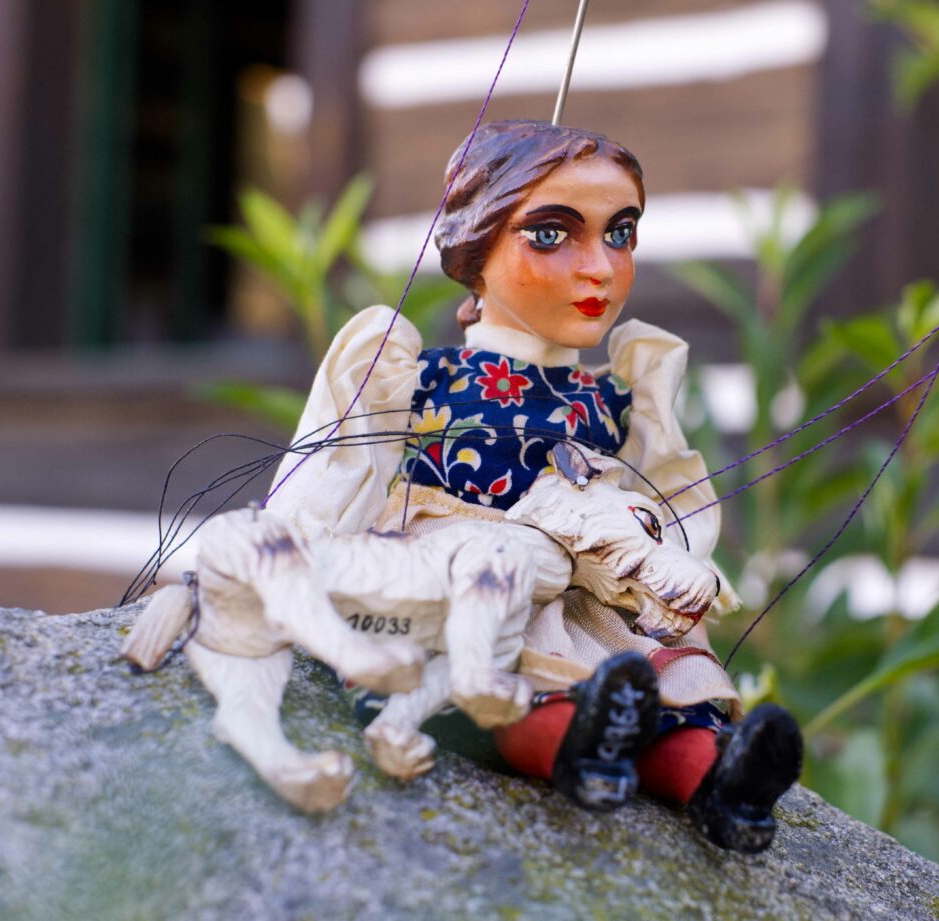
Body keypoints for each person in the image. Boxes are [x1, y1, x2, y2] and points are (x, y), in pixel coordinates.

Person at [267, 119, 802, 852]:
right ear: (475, 247)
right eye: (551, 235)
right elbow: (336, 471)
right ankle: (577, 745)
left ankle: (717, 776)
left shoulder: (619, 397)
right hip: (461, 575)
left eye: (620, 234)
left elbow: (666, 506)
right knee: (508, 680)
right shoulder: (419, 376)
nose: (600, 268)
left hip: (582, 594)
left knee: (657, 685)